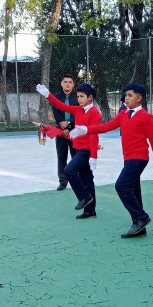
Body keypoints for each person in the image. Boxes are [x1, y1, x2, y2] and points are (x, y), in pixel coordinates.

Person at [70, 84, 153, 238]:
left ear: (139, 98)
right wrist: (86, 129)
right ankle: (139, 227)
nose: (126, 98)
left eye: (130, 95)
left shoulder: (145, 117)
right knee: (134, 190)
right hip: (128, 157)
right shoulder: (123, 114)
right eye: (126, 95)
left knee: (121, 186)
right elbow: (106, 126)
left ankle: (141, 218)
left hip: (139, 158)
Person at [36, 82, 101, 218]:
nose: (79, 99)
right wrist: (48, 95)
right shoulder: (79, 110)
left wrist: (94, 156)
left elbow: (94, 135)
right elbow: (61, 105)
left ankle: (84, 197)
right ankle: (90, 211)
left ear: (90, 97)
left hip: (87, 150)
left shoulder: (94, 113)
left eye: (81, 96)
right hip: (78, 148)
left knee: (69, 170)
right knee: (87, 179)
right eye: (77, 96)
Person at [52, 75, 77, 191]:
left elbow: (78, 114)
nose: (68, 84)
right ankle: (62, 182)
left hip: (74, 132)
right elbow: (56, 114)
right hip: (60, 132)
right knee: (61, 157)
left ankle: (77, 181)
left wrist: (69, 125)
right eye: (65, 82)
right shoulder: (56, 97)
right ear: (61, 83)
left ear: (73, 84)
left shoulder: (78, 97)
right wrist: (63, 128)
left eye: (70, 82)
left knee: (76, 157)